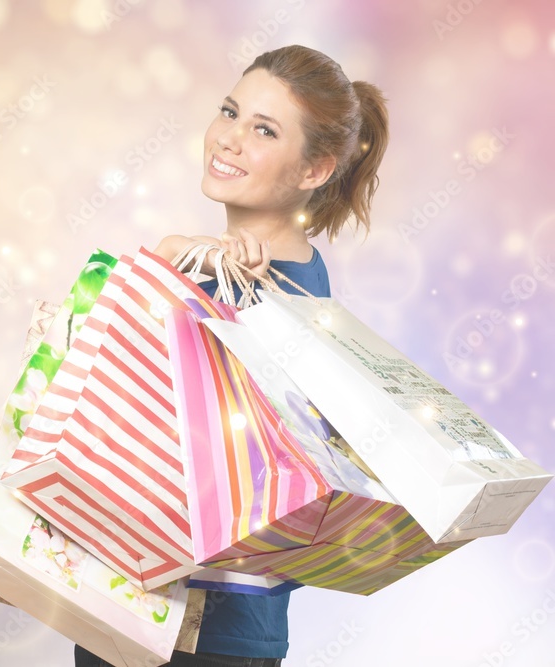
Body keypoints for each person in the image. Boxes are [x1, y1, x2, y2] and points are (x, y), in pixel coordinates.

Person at [73, 44, 389, 667]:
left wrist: (192, 275)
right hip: (133, 588)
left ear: (314, 171)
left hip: (207, 628)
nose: (230, 138)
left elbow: (229, 444)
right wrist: (174, 257)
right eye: (230, 111)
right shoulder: (226, 263)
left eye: (264, 130)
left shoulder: (286, 291)